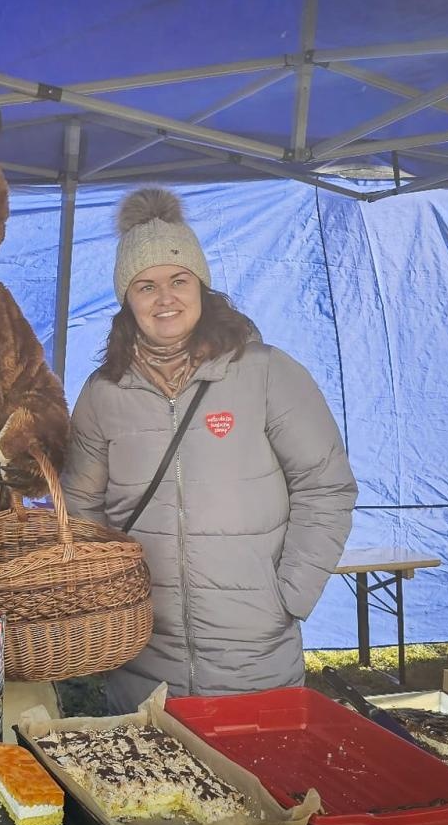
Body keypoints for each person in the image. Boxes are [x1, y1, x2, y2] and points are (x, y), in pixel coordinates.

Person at [61, 188, 357, 707]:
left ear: (201, 286)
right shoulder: (103, 393)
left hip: (256, 656)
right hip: (144, 660)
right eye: (146, 286)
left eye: (179, 280)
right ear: (127, 301)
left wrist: (289, 595)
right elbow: (80, 506)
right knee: (148, 760)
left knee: (259, 760)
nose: (165, 298)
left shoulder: (267, 373)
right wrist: (108, 598)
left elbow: (325, 486)